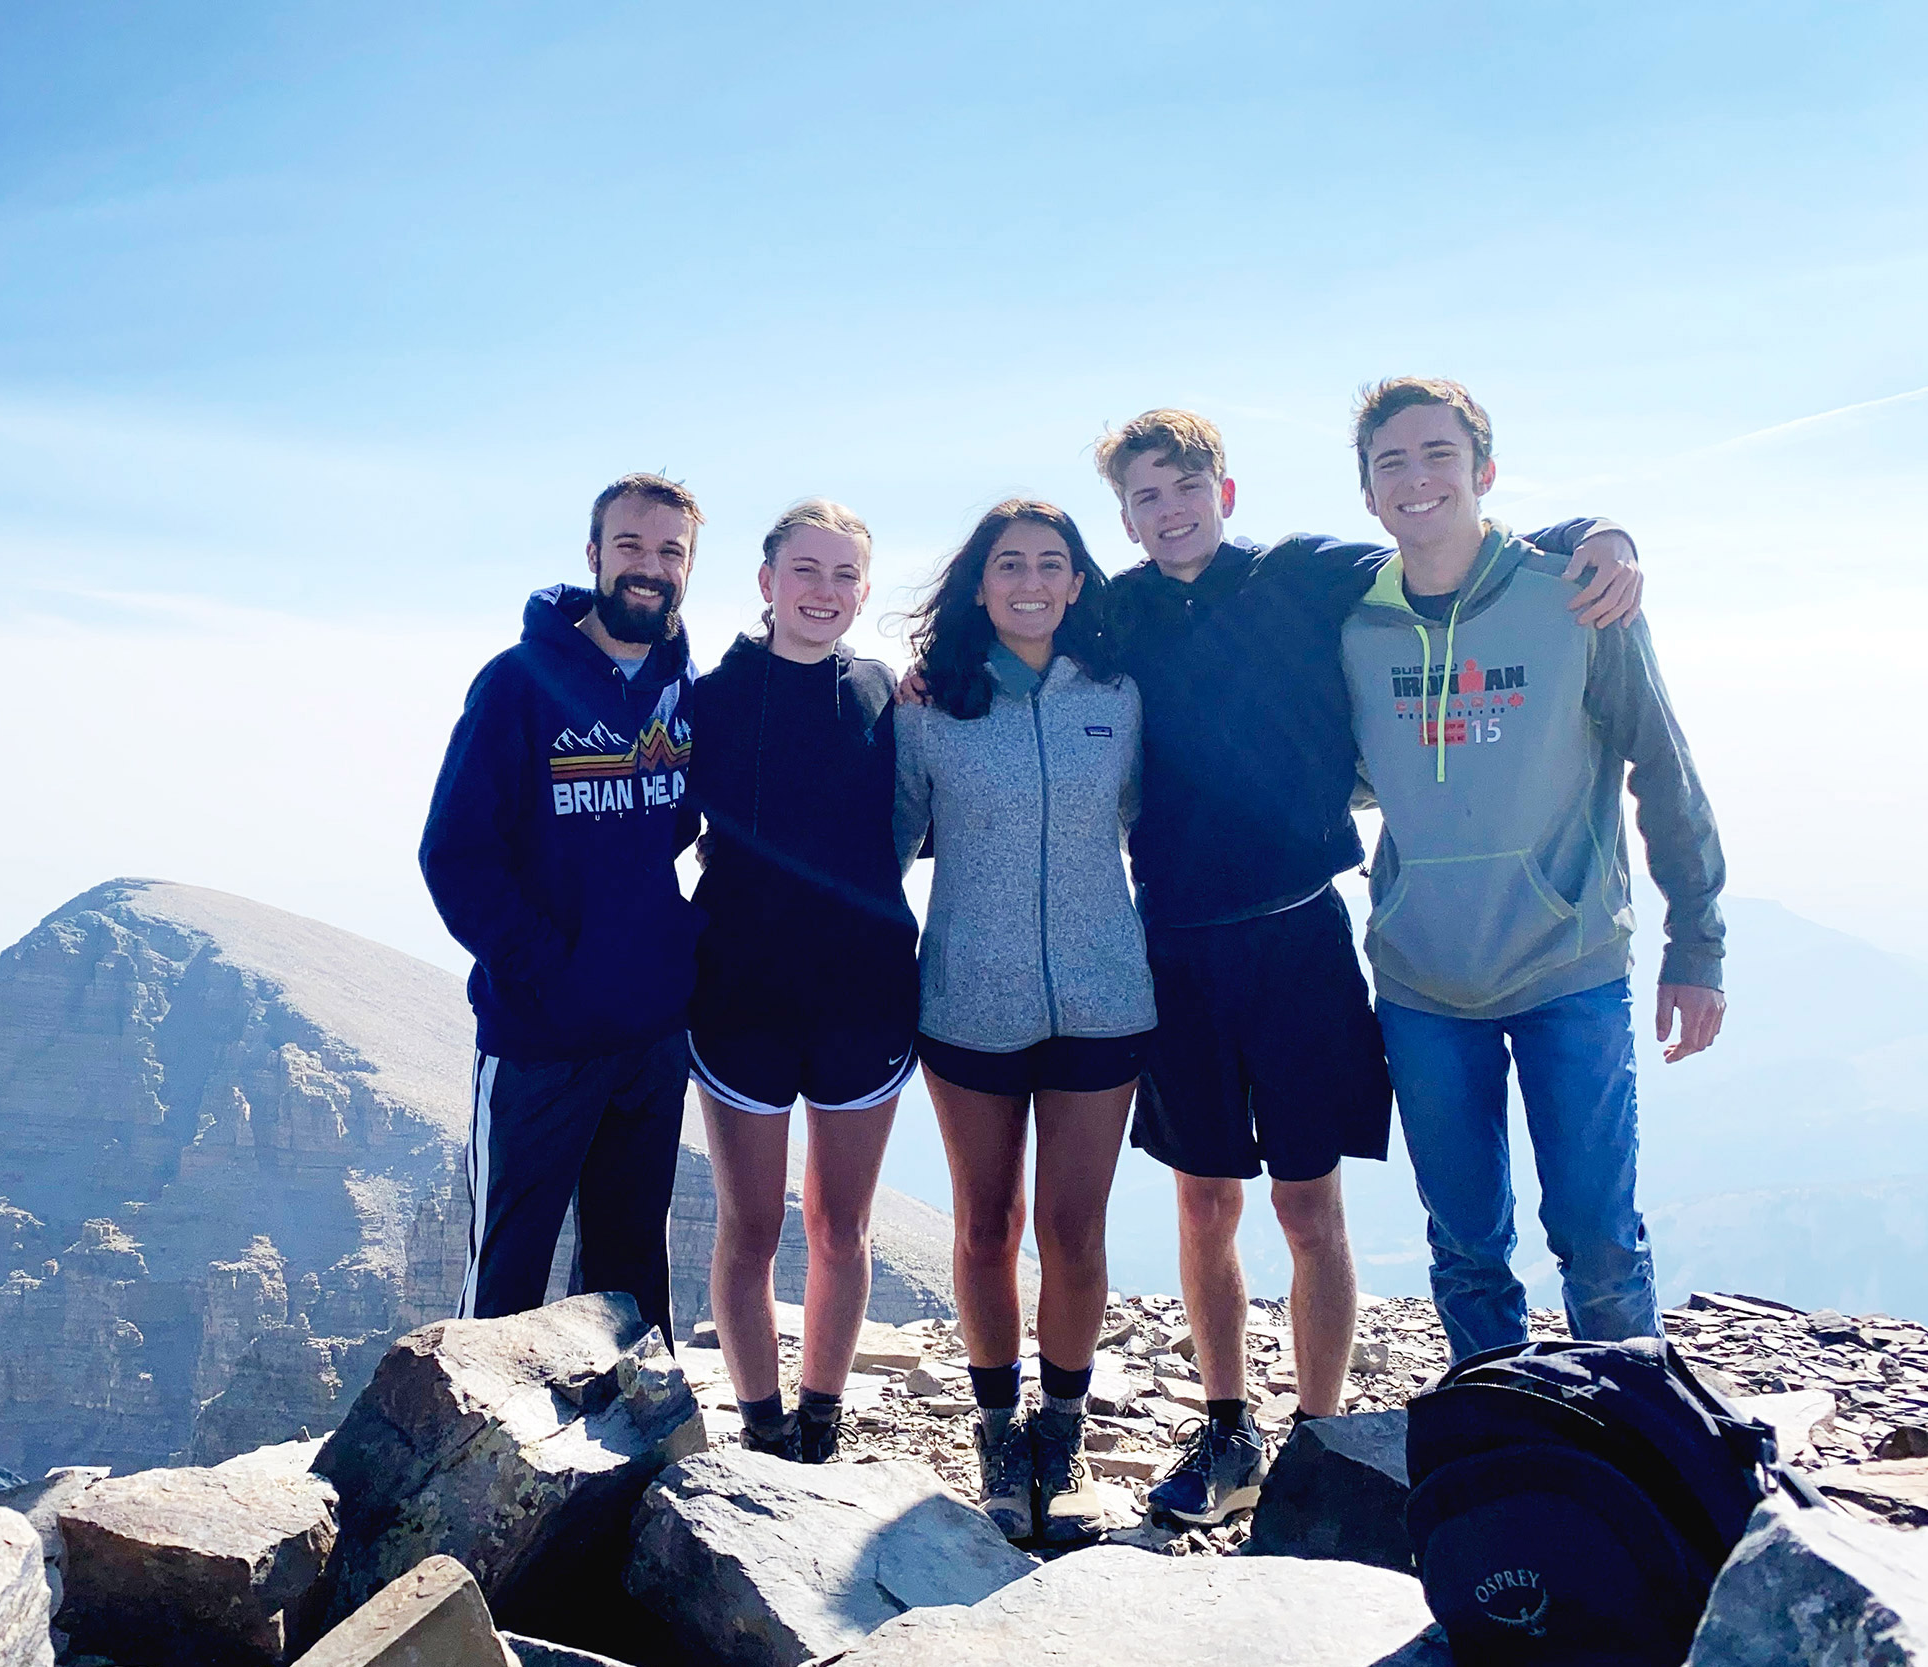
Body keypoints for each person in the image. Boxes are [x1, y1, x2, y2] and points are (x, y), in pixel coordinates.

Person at [1090, 409, 1646, 1527]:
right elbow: (1021, 635)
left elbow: (1452, 544)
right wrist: (925, 676)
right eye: (1144, 497)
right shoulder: (1115, 610)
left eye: (1183, 486)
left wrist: (1606, 531)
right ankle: (1227, 1424)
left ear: (1225, 491)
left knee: (1309, 1205)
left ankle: (1319, 1433)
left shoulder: (1303, 573)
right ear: (1125, 515)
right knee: (1204, 1201)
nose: (1168, 510)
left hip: (1299, 934)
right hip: (1176, 940)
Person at [1340, 377, 1725, 1365]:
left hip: (1569, 966)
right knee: (1465, 1250)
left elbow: (1662, 767)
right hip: (1423, 980)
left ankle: (1638, 1461)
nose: (1416, 479)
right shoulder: (1354, 630)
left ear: (1484, 471)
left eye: (1438, 455)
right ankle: (1500, 1462)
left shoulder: (1574, 597)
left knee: (1597, 1244)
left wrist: (1699, 942)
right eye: (1392, 462)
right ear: (1368, 493)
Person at [893, 500, 1151, 1547]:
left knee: (1074, 1232)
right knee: (985, 1226)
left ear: (1079, 581)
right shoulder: (925, 706)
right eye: (1010, 563)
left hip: (1102, 997)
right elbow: (883, 839)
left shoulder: (1120, 698)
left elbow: (1152, 812)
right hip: (967, 1000)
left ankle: (1064, 1432)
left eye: (1051, 563)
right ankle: (998, 1435)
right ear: (980, 581)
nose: (1031, 579)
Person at [418, 472, 706, 1350]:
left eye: (669, 552)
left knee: (628, 1282)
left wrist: (670, 950)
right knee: (506, 1281)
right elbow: (455, 854)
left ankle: (629, 1470)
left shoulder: (683, 685)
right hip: (541, 1037)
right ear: (594, 556)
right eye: (630, 547)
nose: (648, 568)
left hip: (651, 1037)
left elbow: (686, 826)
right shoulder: (517, 683)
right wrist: (547, 967)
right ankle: (465, 1468)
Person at [687, 499, 920, 1464]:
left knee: (841, 1223)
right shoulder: (709, 698)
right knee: (749, 1225)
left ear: (863, 590)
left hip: (865, 994)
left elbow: (925, 816)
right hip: (740, 994)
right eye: (806, 571)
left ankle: (820, 1422)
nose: (824, 592)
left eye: (844, 576)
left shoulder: (886, 695)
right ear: (767, 582)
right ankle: (762, 1420)